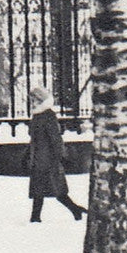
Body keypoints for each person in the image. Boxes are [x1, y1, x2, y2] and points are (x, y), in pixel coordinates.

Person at [23, 86, 87, 223]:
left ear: (40, 100)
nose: (32, 102)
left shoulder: (48, 116)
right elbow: (34, 139)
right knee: (39, 190)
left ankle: (74, 209)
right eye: (31, 99)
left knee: (56, 190)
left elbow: (56, 139)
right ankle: (36, 217)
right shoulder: (37, 115)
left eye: (34, 99)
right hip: (38, 158)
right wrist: (28, 154)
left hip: (48, 159)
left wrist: (60, 156)